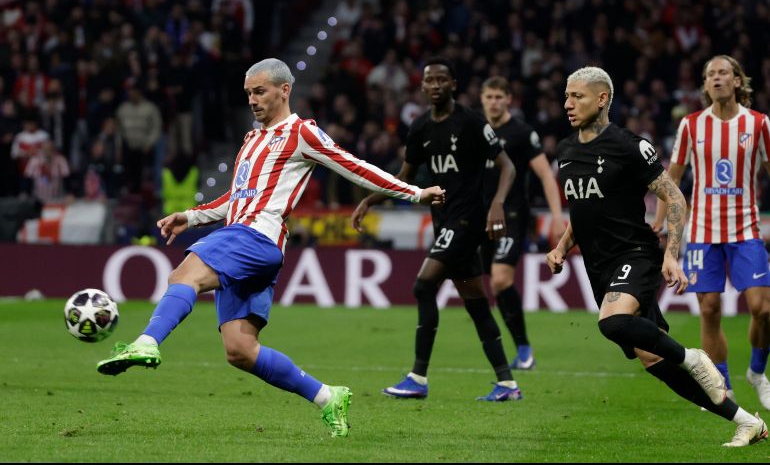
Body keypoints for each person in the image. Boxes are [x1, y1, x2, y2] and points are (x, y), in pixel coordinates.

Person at [95, 58, 446, 438]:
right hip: (245, 238)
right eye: (248, 93)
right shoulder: (251, 139)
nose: (252, 100)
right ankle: (328, 397)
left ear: (285, 90)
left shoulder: (301, 133)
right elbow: (238, 196)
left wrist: (414, 193)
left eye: (259, 91)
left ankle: (146, 343)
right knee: (240, 350)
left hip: (256, 237)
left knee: (185, 274)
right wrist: (191, 217)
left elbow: (354, 165)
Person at [548, 65, 766, 447]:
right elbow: (582, 210)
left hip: (635, 254)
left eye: (576, 96)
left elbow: (674, 196)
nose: (568, 103)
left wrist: (672, 254)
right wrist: (562, 246)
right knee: (653, 360)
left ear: (602, 99)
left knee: (612, 322)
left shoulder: (630, 145)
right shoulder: (566, 150)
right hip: (598, 266)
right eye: (566, 96)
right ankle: (747, 422)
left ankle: (694, 357)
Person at [352, 57, 521, 401]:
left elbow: (508, 167)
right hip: (444, 221)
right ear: (422, 87)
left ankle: (418, 376)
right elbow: (405, 178)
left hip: (468, 220)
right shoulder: (420, 128)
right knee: (475, 303)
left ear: (453, 84)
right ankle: (507, 383)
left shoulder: (472, 121)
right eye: (429, 81)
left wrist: (498, 203)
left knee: (423, 285)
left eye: (442, 79)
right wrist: (372, 199)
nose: (435, 86)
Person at [653, 55, 770, 409]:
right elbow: (670, 181)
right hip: (702, 232)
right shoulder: (691, 126)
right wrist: (659, 225)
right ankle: (721, 386)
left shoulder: (759, 124)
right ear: (704, 85)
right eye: (710, 75)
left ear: (737, 81)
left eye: (724, 72)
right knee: (709, 309)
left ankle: (757, 372)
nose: (717, 78)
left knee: (763, 310)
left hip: (746, 228)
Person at [479, 75, 565, 370]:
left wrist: (556, 217)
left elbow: (545, 175)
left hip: (513, 216)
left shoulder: (521, 132)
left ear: (508, 100)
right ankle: (519, 349)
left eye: (498, 97)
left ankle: (524, 349)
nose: (493, 102)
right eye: (488, 97)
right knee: (493, 285)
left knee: (501, 278)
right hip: (479, 218)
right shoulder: (475, 130)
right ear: (482, 100)